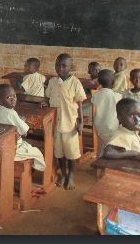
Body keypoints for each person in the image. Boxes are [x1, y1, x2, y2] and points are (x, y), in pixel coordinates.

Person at [44, 53, 87, 190]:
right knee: (60, 153)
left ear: (70, 67)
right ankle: (63, 174)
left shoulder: (75, 82)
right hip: (56, 125)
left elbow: (80, 103)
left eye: (64, 66)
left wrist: (81, 122)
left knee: (71, 153)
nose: (60, 68)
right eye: (58, 64)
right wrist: (44, 104)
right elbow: (48, 98)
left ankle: (71, 176)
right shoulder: (52, 82)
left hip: (70, 125)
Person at [0, 84, 46, 174]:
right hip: (12, 149)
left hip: (0, 143)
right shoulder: (11, 113)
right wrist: (24, 129)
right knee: (37, 152)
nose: (13, 99)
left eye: (14, 96)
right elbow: (24, 131)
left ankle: (31, 167)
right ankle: (34, 168)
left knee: (28, 145)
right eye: (8, 97)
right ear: (0, 100)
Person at [101, 98, 140, 164]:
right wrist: (136, 154)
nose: (137, 120)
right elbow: (108, 152)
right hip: (131, 168)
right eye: (131, 115)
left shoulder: (130, 131)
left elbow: (137, 149)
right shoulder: (121, 135)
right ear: (120, 118)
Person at [91, 69, 123, 151]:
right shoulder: (118, 96)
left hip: (99, 129)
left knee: (102, 147)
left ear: (99, 82)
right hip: (114, 129)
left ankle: (100, 159)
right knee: (113, 147)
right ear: (113, 82)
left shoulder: (95, 95)